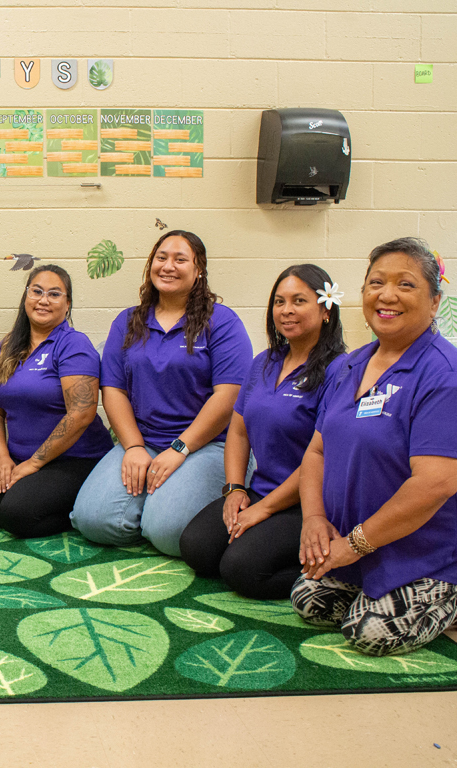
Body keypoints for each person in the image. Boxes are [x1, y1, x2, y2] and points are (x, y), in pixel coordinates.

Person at [292, 238, 457, 656]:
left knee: (370, 635)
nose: (387, 295)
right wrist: (313, 519)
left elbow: (435, 484)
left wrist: (356, 544)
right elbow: (316, 452)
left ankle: (450, 595)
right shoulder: (346, 366)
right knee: (309, 602)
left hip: (424, 549)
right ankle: (374, 587)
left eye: (406, 285)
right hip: (356, 541)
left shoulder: (443, 375)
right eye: (376, 282)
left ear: (435, 301)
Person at [72, 231, 253, 556]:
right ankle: (152, 508)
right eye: (161, 257)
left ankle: (158, 514)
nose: (168, 266)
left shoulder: (222, 322)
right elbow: (113, 390)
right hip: (144, 442)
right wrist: (134, 447)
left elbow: (228, 395)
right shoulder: (127, 322)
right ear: (150, 265)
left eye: (180, 259)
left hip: (208, 445)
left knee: (166, 532)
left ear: (199, 270)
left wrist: (180, 449)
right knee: (92, 520)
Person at [179, 265, 346, 598]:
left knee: (242, 570)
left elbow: (322, 456)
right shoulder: (264, 361)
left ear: (325, 310)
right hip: (260, 489)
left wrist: (265, 509)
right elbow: (238, 433)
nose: (286, 310)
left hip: (309, 504)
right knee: (197, 548)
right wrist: (235, 489)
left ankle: (342, 575)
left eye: (299, 300)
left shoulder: (341, 370)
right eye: (279, 302)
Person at [0, 265, 112, 538]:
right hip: (20, 456)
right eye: (36, 291)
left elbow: (81, 413)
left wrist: (34, 464)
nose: (43, 300)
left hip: (75, 459)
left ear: (67, 304)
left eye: (54, 294)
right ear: (26, 297)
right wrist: (2, 458)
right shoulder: (8, 345)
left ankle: (81, 511)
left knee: (16, 515)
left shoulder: (73, 345)